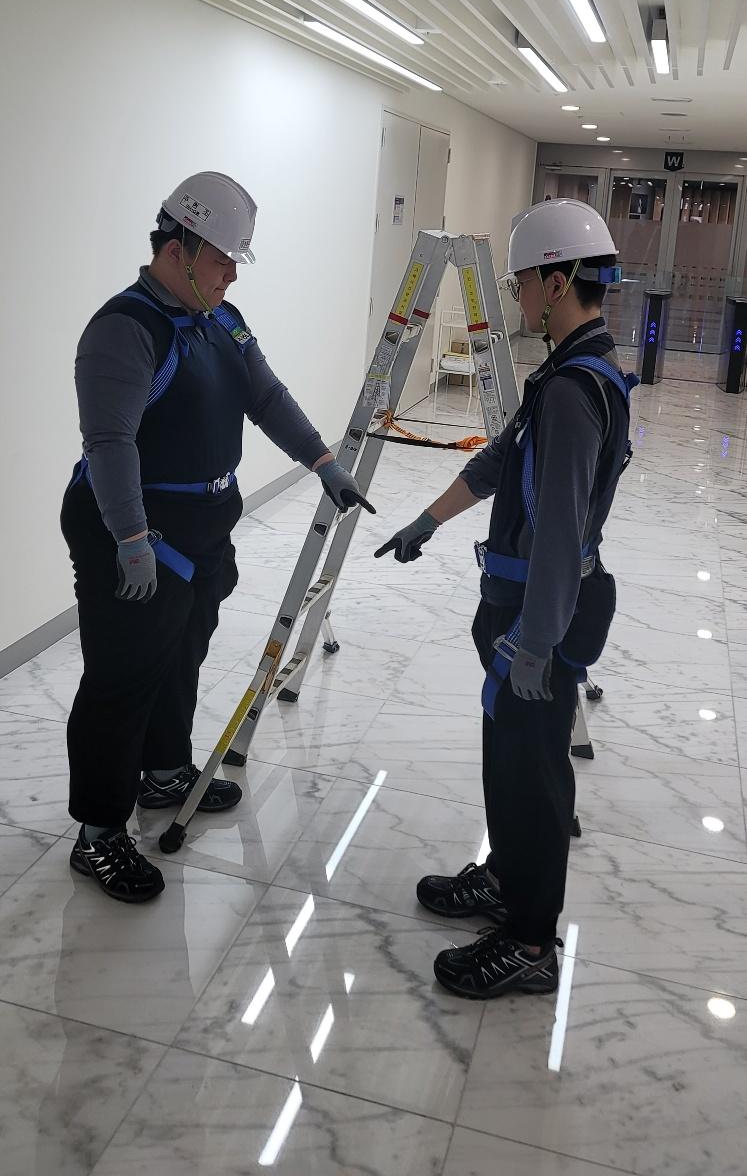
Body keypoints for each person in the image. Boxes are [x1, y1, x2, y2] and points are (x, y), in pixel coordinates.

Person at [62, 171, 374, 904]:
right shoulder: (124, 329)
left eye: (237, 261)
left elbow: (265, 395)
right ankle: (98, 832)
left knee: (180, 656)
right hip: (135, 531)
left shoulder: (221, 321)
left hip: (201, 532)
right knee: (121, 676)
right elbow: (110, 443)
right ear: (176, 248)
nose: (232, 273)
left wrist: (323, 462)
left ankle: (164, 771)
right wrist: (130, 537)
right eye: (223, 260)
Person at [375, 199, 636, 1000]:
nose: (518, 296)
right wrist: (428, 518)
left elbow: (559, 529)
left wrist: (534, 643)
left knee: (533, 776)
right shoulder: (567, 370)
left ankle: (529, 941)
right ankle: (505, 878)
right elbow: (499, 461)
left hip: (539, 616)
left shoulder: (571, 392)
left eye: (523, 282)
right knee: (510, 761)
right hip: (525, 608)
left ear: (556, 282)